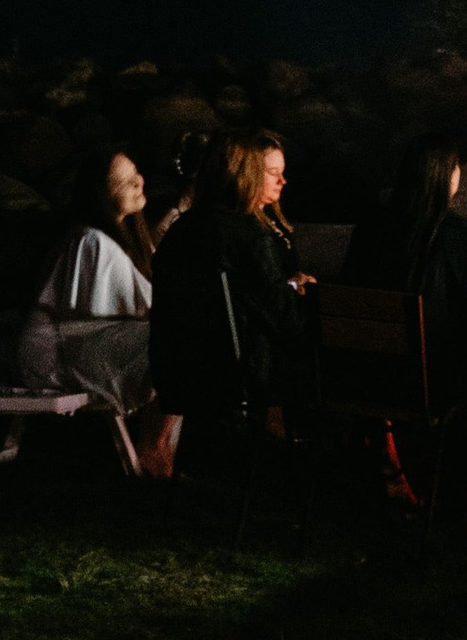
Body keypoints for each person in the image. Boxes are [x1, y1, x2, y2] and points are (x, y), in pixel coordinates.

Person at [147, 126, 315, 455]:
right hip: (238, 374)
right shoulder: (251, 235)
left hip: (177, 370)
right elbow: (286, 318)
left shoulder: (182, 228)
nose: (282, 181)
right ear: (247, 175)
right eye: (270, 172)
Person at [16, 149, 166, 465]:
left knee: (178, 341)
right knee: (170, 342)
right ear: (103, 194)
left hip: (92, 338)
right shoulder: (91, 240)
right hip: (60, 349)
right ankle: (154, 449)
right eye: (125, 182)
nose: (138, 183)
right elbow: (101, 312)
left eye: (136, 173)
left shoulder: (135, 240)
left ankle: (158, 446)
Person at [348, 132, 467, 416]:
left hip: (373, 378)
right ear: (448, 175)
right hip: (442, 385)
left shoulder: (371, 231)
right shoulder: (466, 241)